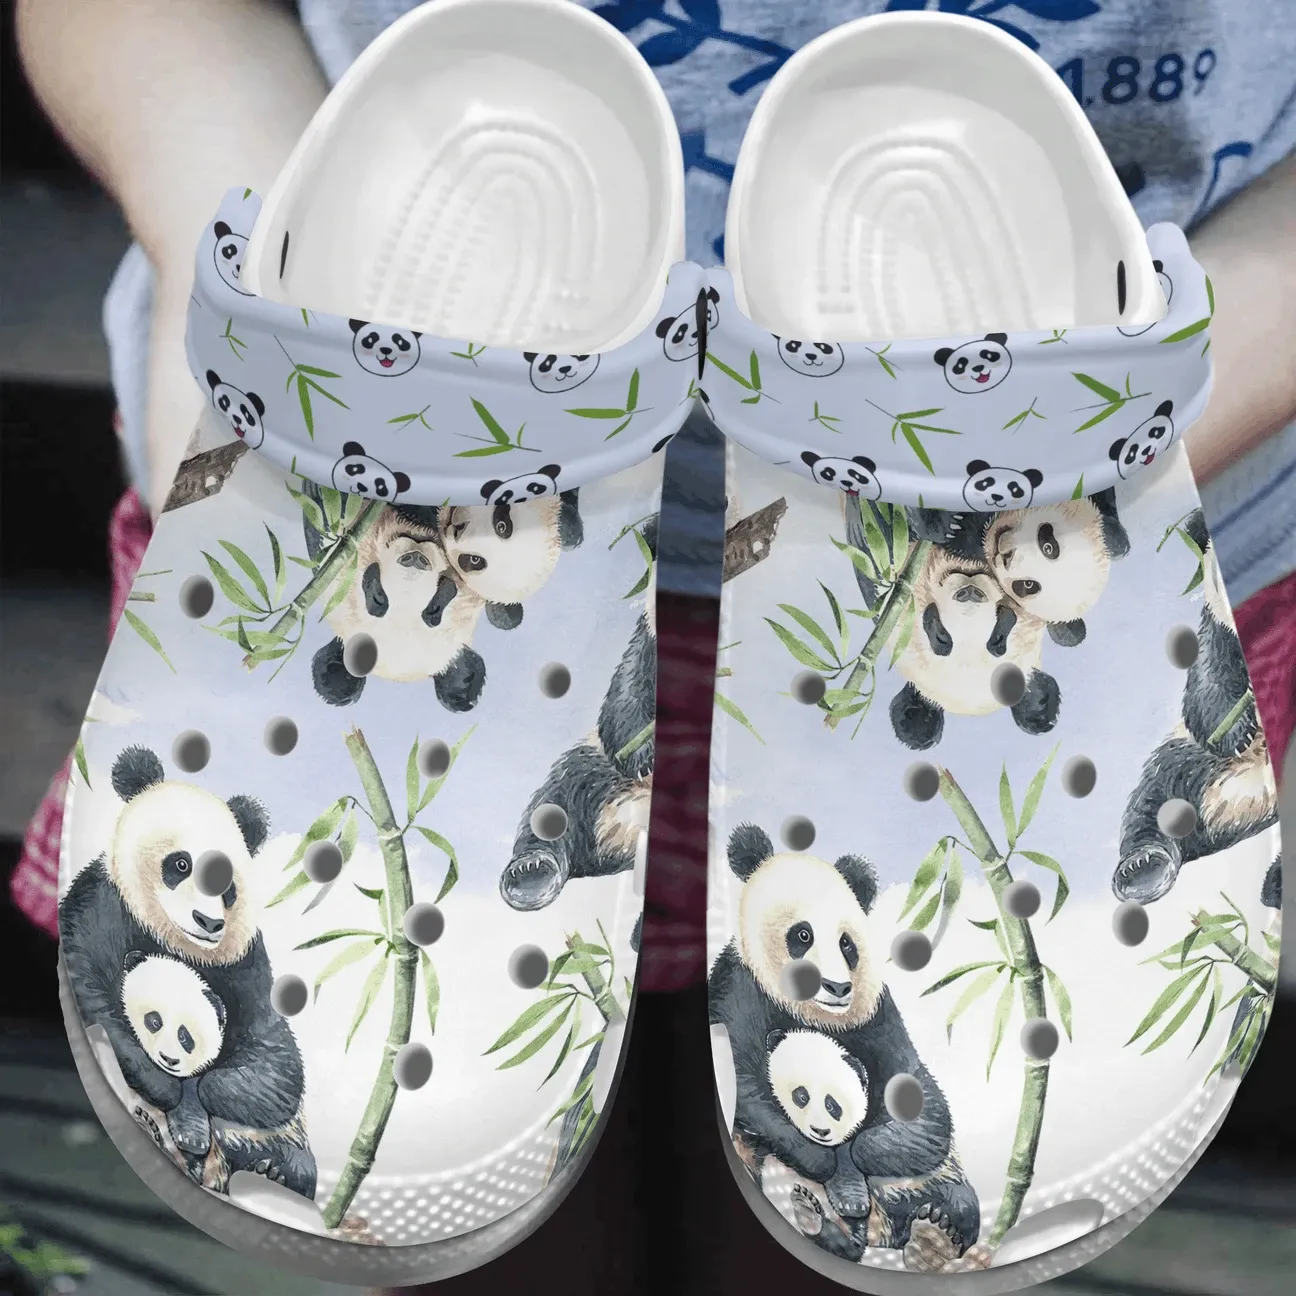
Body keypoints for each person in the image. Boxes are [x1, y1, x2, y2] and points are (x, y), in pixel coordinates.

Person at [13, 3, 1296, 1291]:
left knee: (852, 1147)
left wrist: (1129, 424)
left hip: (1091, 539)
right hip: (363, 454)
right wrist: (212, 207)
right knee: (459, 1195)